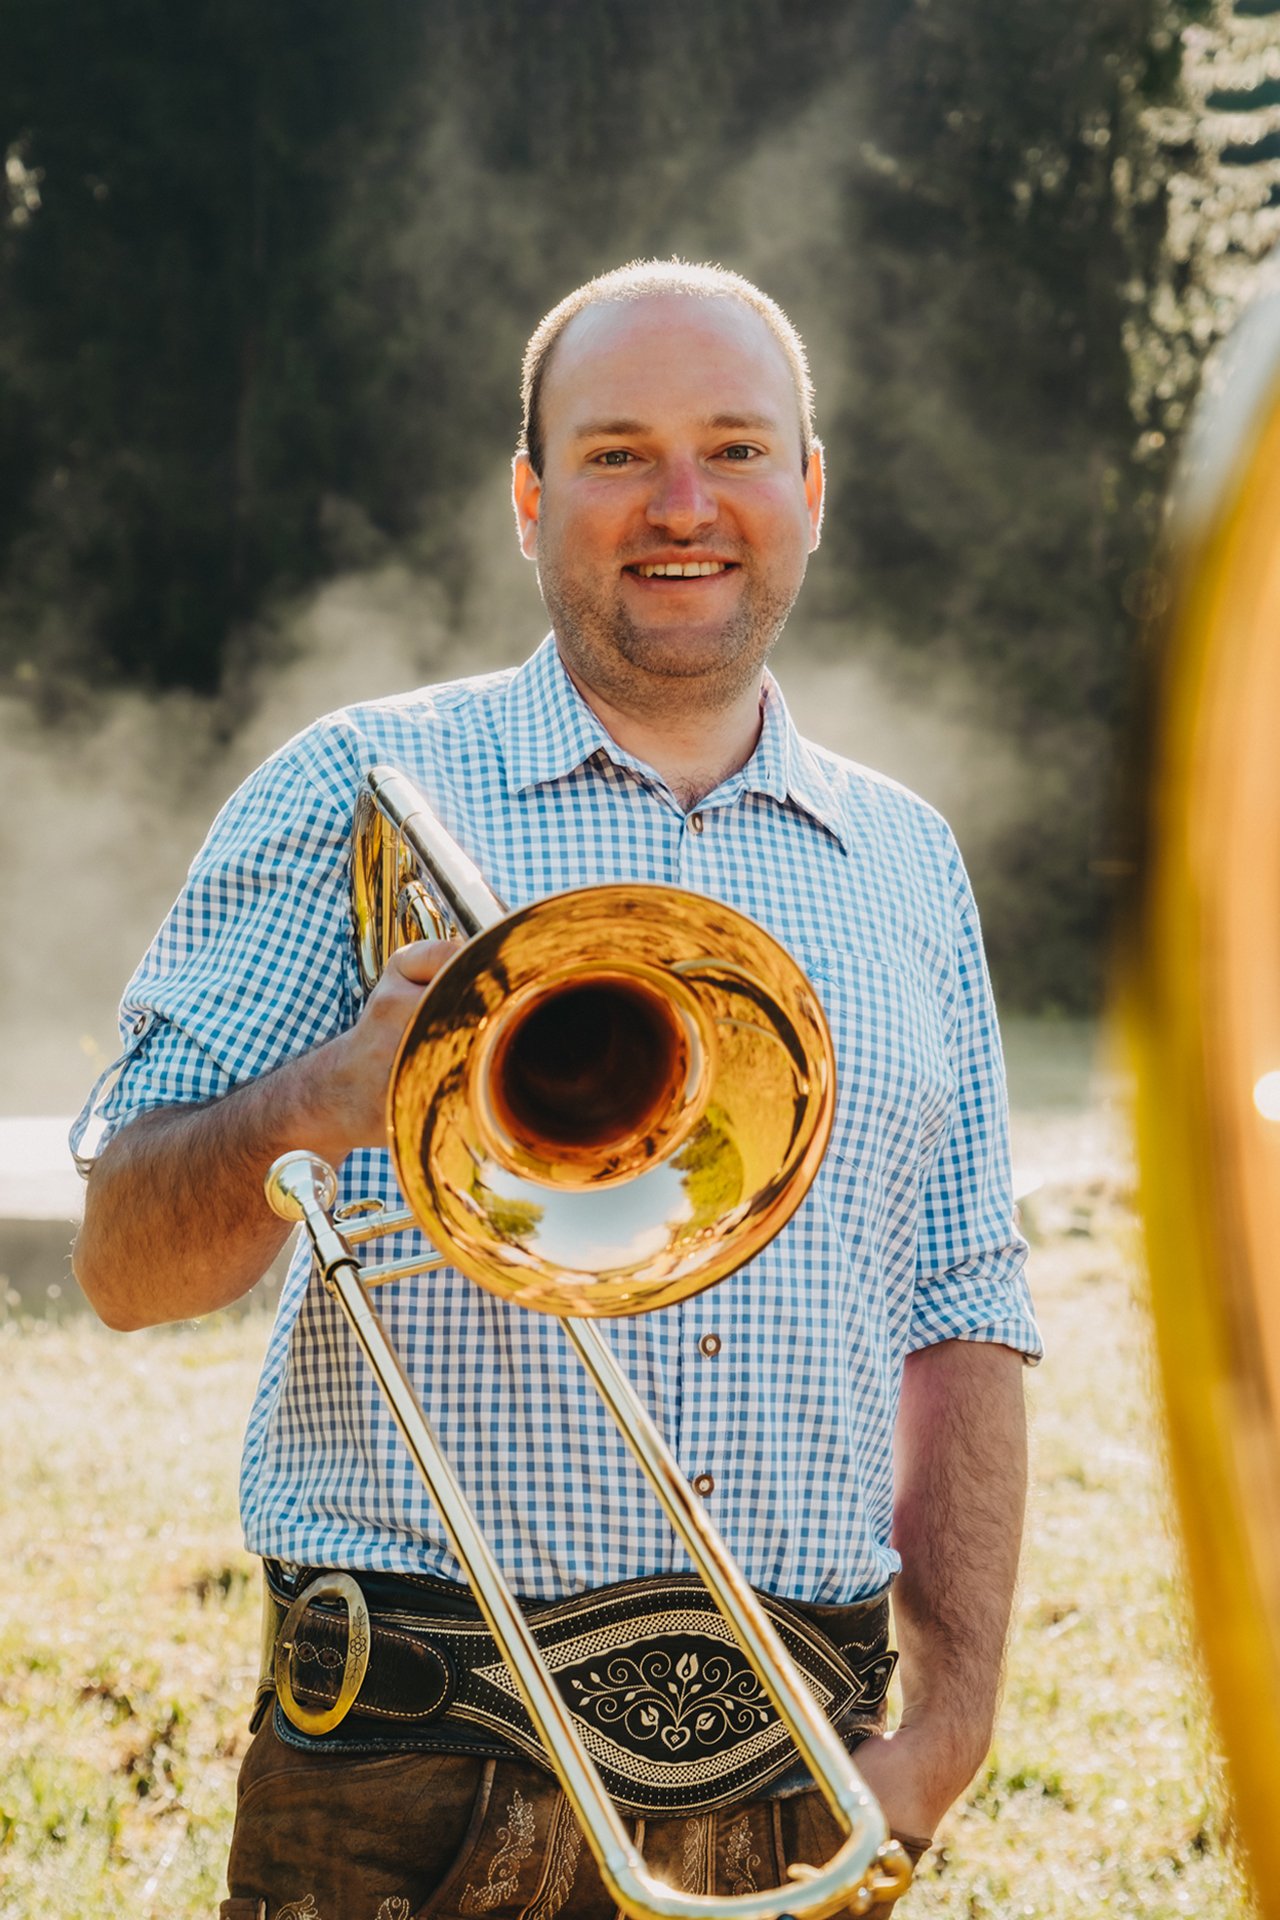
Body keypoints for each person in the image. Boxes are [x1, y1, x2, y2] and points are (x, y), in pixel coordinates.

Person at [71, 259, 1041, 1920]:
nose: (685, 504)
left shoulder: (905, 859)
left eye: (738, 449)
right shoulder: (352, 789)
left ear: (810, 490)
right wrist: (327, 1095)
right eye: (616, 453)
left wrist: (949, 1727)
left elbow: (963, 1300)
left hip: (803, 1788)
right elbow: (119, 1267)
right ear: (529, 500)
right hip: (411, 1787)